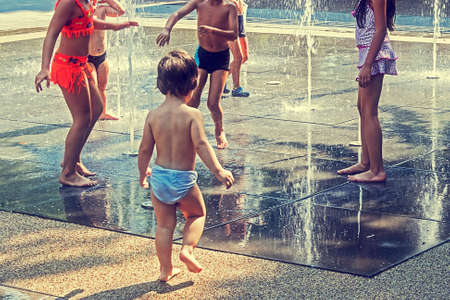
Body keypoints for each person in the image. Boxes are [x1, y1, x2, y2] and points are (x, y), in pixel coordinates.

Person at [138, 50, 234, 282]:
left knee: (164, 226)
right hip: (183, 180)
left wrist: (143, 174)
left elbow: (144, 150)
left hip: (159, 178)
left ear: (161, 84)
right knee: (197, 214)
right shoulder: (192, 115)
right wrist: (219, 171)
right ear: (193, 84)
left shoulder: (153, 115)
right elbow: (201, 146)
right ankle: (187, 250)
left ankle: (165, 270)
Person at [34, 0, 138, 187]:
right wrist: (44, 68)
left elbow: (90, 21)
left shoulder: (88, 1)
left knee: (97, 109)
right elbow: (51, 34)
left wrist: (115, 26)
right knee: (82, 118)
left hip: (82, 64)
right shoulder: (68, 3)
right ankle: (67, 173)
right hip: (67, 66)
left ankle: (74, 160)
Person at [156, 0, 239, 149]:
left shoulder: (229, 7)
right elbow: (177, 13)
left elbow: (234, 34)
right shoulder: (199, 2)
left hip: (221, 57)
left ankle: (219, 130)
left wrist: (212, 31)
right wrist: (167, 29)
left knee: (213, 103)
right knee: (193, 98)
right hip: (203, 56)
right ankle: (185, 129)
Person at [337, 0, 397, 182]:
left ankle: (377, 170)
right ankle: (366, 162)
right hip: (367, 53)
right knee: (362, 108)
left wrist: (368, 65)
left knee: (370, 112)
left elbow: (380, 30)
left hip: (375, 55)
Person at [88, 0, 126, 120]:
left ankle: (103, 112)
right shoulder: (84, 12)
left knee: (102, 87)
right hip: (88, 57)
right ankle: (90, 113)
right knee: (92, 87)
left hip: (102, 56)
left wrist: (108, 0)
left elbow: (121, 11)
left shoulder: (102, 9)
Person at [225, 0, 250, 97]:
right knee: (238, 57)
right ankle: (236, 88)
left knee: (244, 57)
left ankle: (222, 80)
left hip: (240, 18)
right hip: (230, 22)